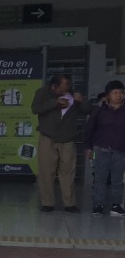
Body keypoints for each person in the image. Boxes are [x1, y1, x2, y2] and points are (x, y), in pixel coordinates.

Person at [32, 73, 90, 213]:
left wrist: (82, 101)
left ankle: (69, 203)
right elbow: (35, 109)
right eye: (64, 87)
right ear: (54, 86)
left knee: (68, 171)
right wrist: (55, 102)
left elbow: (88, 110)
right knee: (46, 171)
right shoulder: (43, 93)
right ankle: (48, 203)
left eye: (68, 86)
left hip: (67, 138)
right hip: (47, 137)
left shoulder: (74, 95)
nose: (67, 89)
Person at [86, 80, 125, 216]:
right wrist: (89, 147)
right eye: (115, 93)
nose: (118, 95)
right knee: (100, 178)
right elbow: (90, 129)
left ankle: (116, 205)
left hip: (120, 150)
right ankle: (98, 204)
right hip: (100, 149)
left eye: (121, 93)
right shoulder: (99, 111)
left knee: (117, 179)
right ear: (108, 95)